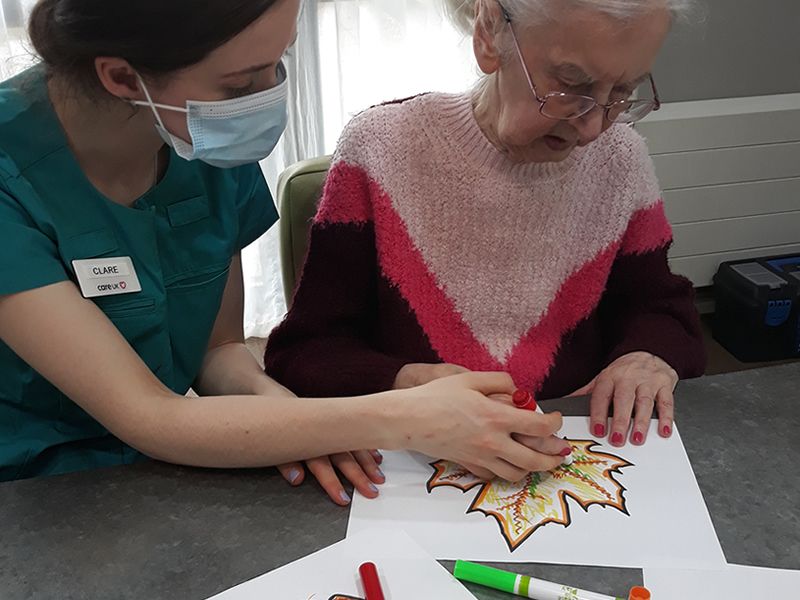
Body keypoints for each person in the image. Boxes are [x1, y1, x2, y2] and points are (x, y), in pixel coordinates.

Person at [0, 0, 571, 504]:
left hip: (167, 466)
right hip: (35, 491)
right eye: (242, 83)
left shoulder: (202, 138)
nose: (268, 97)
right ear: (123, 77)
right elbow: (149, 414)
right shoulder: (14, 175)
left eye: (281, 63)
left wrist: (301, 424)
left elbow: (218, 352)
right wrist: (399, 417)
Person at [265, 0, 706, 450]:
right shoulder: (379, 152)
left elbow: (660, 308)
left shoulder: (621, 161)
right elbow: (304, 352)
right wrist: (406, 383)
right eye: (571, 83)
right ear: (489, 32)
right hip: (415, 456)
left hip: (571, 448)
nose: (594, 128)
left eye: (623, 92)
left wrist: (646, 355)